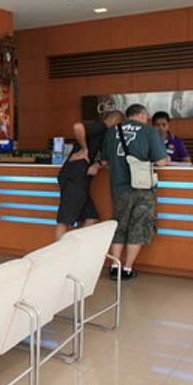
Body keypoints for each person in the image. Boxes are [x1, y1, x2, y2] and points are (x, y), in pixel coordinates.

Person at [101, 103, 170, 279]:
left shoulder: (111, 131)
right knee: (138, 227)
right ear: (142, 115)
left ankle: (114, 267)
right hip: (142, 188)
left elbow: (104, 162)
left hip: (119, 188)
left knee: (119, 226)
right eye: (146, 116)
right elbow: (161, 161)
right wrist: (167, 159)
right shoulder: (149, 131)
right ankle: (127, 269)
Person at [54, 109, 124, 240]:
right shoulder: (101, 127)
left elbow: (104, 158)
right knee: (65, 219)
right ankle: (58, 250)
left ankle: (73, 246)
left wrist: (97, 164)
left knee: (91, 217)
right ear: (114, 120)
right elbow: (78, 127)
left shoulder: (106, 135)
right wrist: (84, 149)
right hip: (74, 176)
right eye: (120, 123)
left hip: (82, 179)